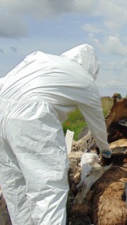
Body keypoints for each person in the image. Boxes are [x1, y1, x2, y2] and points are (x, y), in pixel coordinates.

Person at [0, 44, 112, 225]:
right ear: (91, 68)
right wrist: (105, 149)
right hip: (31, 118)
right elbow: (97, 123)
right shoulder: (84, 79)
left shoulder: (40, 59)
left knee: (15, 184)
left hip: (2, 112)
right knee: (48, 189)